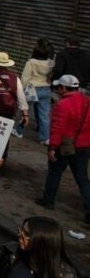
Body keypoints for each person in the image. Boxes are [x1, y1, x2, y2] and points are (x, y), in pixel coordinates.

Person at [36, 75, 90, 226]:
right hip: (84, 147)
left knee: (55, 172)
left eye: (59, 87)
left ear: (64, 88)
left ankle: (48, 200)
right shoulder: (87, 101)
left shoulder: (62, 105)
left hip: (65, 146)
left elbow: (58, 129)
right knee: (82, 179)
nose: (58, 90)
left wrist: (52, 147)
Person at [20, 39, 56, 144]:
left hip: (32, 89)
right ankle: (45, 138)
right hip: (45, 89)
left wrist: (21, 89)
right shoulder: (51, 63)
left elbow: (25, 77)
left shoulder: (30, 63)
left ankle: (19, 131)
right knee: (44, 116)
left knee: (25, 112)